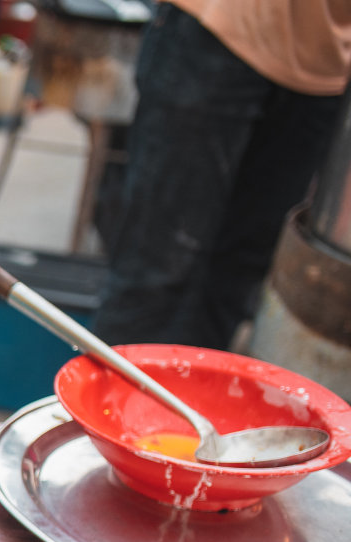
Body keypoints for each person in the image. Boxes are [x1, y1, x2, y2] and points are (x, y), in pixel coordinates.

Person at [93, 0, 351, 350]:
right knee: (153, 269)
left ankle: (190, 401)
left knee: (236, 277)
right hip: (216, 29)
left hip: (325, 64)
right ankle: (113, 401)